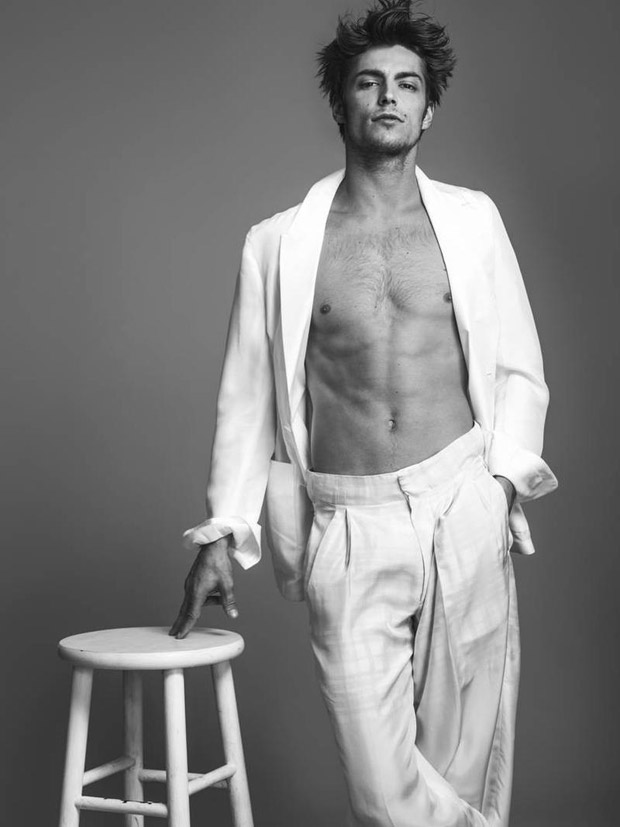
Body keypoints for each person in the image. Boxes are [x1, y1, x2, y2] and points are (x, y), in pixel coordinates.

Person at [170, 1, 558, 824]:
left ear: (429, 109)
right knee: (382, 784)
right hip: (349, 522)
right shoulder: (277, 244)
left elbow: (518, 367)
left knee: (463, 759)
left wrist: (499, 488)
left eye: (407, 84)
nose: (388, 97)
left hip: (461, 502)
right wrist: (223, 533)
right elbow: (247, 398)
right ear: (340, 103)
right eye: (369, 82)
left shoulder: (474, 221)